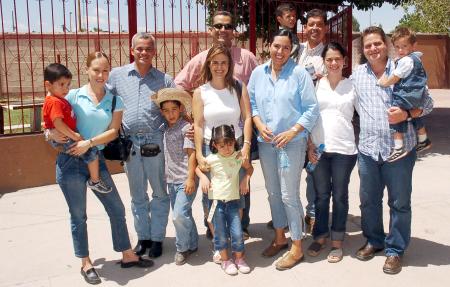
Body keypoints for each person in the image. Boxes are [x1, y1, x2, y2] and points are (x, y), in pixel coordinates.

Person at [53, 52, 153, 285]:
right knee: (79, 215)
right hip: (70, 163)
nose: (101, 75)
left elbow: (113, 131)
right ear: (87, 70)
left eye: (105, 70)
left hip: (95, 159)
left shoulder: (114, 100)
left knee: (116, 208)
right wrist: (50, 133)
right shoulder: (72, 96)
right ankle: (85, 262)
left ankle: (127, 254)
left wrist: (88, 142)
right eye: (96, 70)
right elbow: (54, 118)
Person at [352, 26, 433, 274]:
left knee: (399, 202)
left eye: (377, 43)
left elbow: (428, 102)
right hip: (368, 150)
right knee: (368, 201)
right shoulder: (357, 75)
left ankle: (395, 250)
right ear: (363, 50)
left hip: (400, 151)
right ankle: (374, 240)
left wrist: (408, 112)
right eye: (368, 45)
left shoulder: (405, 67)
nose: (373, 48)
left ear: (386, 45)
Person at [175, 10, 258, 240]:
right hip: (210, 144)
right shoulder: (201, 62)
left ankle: (240, 227)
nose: (223, 30)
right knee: (210, 190)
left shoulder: (247, 60)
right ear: (212, 29)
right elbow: (178, 85)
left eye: (228, 26)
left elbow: (253, 101)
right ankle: (216, 233)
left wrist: (248, 146)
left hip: (238, 141)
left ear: (234, 30)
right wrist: (187, 117)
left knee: (240, 186)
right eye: (219, 26)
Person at [248, 29, 318, 270]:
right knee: (273, 193)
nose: (280, 51)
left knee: (289, 194)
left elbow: (311, 109)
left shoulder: (299, 74)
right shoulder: (258, 73)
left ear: (292, 50)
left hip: (292, 143)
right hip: (267, 144)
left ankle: (297, 246)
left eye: (286, 48)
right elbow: (252, 104)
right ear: (270, 45)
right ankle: (279, 238)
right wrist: (257, 124)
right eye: (277, 46)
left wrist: (292, 132)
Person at [108, 32, 175, 258]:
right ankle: (143, 237)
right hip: (129, 143)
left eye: (148, 49)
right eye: (140, 49)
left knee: (158, 192)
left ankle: (157, 238)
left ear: (154, 52)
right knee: (137, 195)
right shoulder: (117, 75)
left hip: (154, 141)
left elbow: (177, 107)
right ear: (132, 50)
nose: (144, 53)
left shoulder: (164, 79)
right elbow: (102, 98)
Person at [192, 43, 253, 263]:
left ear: (229, 65)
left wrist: (246, 145)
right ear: (209, 64)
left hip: (235, 147)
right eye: (215, 62)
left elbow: (247, 118)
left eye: (224, 63)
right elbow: (198, 124)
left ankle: (236, 238)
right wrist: (199, 153)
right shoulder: (201, 92)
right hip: (211, 148)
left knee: (237, 197)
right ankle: (220, 244)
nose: (219, 67)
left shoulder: (237, 86)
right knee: (212, 200)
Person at [306, 42, 357, 263]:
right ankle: (320, 236)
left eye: (338, 59)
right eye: (329, 59)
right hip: (319, 149)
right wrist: (309, 146)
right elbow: (307, 116)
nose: (334, 63)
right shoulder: (315, 85)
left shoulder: (353, 86)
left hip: (345, 150)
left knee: (340, 196)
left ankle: (337, 242)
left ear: (344, 61)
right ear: (324, 62)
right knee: (320, 196)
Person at [43, 63, 112, 194]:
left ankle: (94, 179)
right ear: (48, 85)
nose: (66, 89)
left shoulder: (59, 98)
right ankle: (95, 181)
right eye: (61, 84)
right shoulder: (55, 101)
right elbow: (57, 123)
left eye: (68, 85)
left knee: (90, 151)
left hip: (66, 136)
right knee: (91, 153)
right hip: (65, 138)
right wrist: (74, 135)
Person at [151, 88, 198, 265]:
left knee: (178, 215)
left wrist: (190, 178)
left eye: (174, 109)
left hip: (185, 179)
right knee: (184, 213)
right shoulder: (164, 129)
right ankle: (193, 243)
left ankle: (182, 248)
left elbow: (191, 153)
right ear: (162, 112)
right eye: (166, 110)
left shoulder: (186, 128)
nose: (171, 114)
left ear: (180, 109)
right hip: (170, 180)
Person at [198, 124, 253, 275]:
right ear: (215, 145)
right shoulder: (212, 158)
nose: (226, 148)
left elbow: (249, 168)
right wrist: (203, 177)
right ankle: (225, 261)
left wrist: (245, 179)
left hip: (233, 203)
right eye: (222, 145)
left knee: (237, 232)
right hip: (217, 203)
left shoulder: (238, 157)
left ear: (235, 141)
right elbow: (198, 168)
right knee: (220, 234)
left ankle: (239, 259)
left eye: (229, 144)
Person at [378, 26, 431, 161]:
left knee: (395, 113)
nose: (400, 50)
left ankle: (398, 147)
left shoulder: (406, 60)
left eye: (404, 46)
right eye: (397, 47)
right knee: (413, 115)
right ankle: (423, 138)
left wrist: (384, 82)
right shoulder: (416, 58)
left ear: (413, 46)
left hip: (406, 94)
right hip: (416, 96)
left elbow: (396, 77)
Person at [298, 8, 328, 232]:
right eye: (311, 24)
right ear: (305, 28)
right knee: (288, 171)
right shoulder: (296, 52)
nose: (314, 28)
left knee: (313, 170)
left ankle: (313, 214)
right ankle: (290, 213)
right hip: (294, 120)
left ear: (325, 28)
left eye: (319, 24)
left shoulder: (329, 53)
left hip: (317, 121)